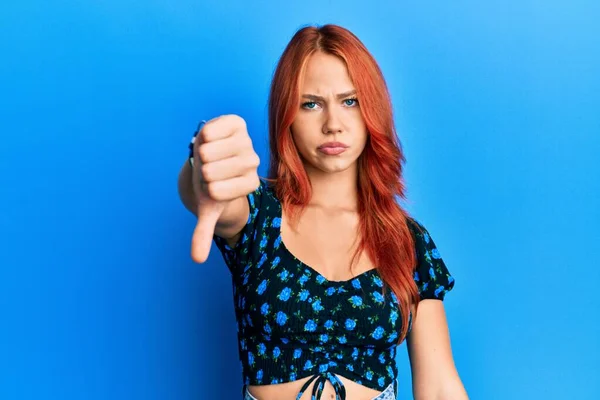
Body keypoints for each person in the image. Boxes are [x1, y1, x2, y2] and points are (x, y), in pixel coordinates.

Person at [178, 24, 468, 400]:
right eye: (310, 104)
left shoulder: (408, 239)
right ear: (287, 116)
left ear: (372, 112)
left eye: (350, 101)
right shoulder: (257, 216)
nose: (333, 124)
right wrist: (203, 164)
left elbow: (441, 386)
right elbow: (213, 191)